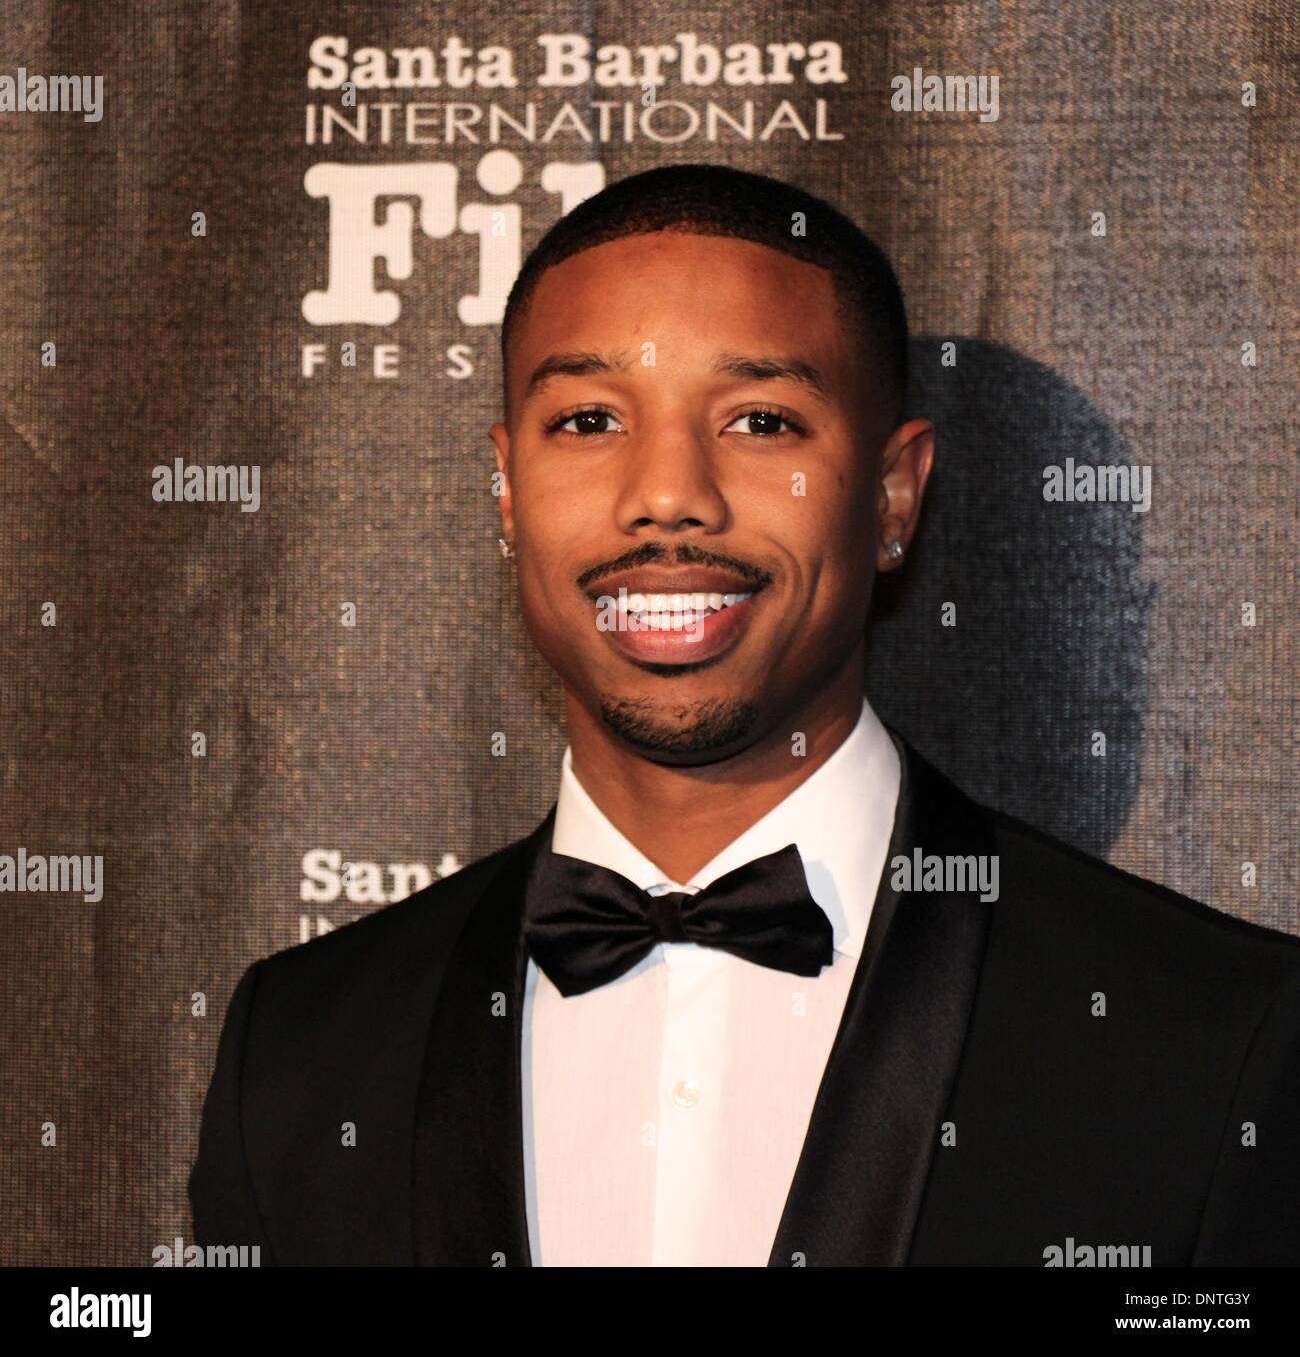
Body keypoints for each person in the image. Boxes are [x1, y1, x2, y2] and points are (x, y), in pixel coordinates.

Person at [189, 163, 1300, 1266]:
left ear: (893, 495)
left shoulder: (1214, 1041)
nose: (667, 494)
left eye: (760, 420)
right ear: (508, 488)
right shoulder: (299, 1056)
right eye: (587, 419)